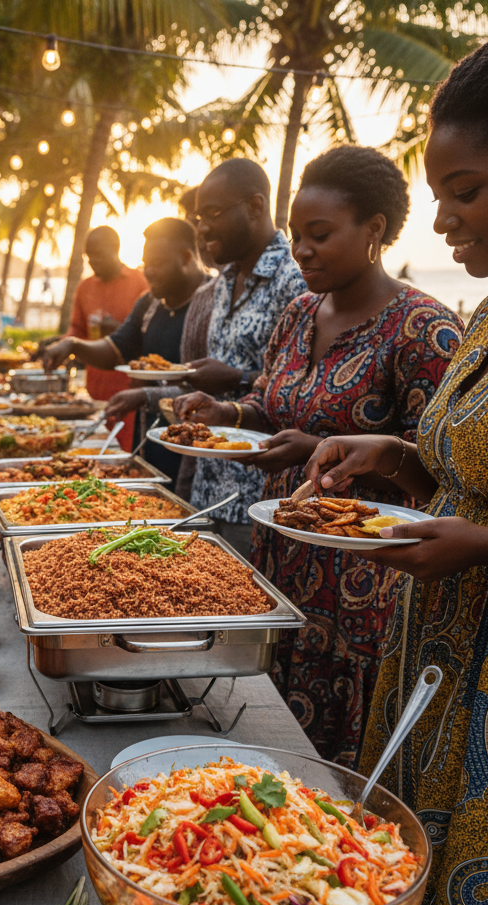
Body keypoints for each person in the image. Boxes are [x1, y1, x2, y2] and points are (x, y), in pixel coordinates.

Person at [303, 42, 488, 905]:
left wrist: (484, 543)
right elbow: (457, 473)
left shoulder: (425, 320)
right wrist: (392, 455)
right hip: (428, 648)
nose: (445, 216)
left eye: (464, 189)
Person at [175, 146, 461, 766]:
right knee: (263, 744)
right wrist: (232, 415)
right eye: (298, 235)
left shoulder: (423, 330)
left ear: (374, 231)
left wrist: (357, 455)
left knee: (336, 764)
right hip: (277, 562)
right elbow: (270, 402)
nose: (300, 250)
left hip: (366, 593)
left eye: (320, 235)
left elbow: (446, 472)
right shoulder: (298, 312)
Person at [186, 158, 307, 553]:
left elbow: (302, 385)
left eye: (213, 214)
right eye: (198, 217)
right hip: (209, 484)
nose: (202, 228)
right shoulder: (226, 278)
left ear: (255, 207)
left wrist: (235, 378)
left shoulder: (296, 277)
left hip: (260, 496)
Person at [43, 219, 213, 491]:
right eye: (146, 264)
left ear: (186, 258)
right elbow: (115, 349)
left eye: (156, 264)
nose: (149, 273)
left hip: (199, 452)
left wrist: (144, 395)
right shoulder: (150, 302)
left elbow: (210, 385)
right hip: (148, 440)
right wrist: (73, 345)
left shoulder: (214, 301)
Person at [64, 225, 149, 419]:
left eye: (99, 255)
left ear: (116, 249)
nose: (93, 261)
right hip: (94, 390)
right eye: (89, 256)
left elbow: (151, 339)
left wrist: (119, 330)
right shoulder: (85, 287)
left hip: (130, 392)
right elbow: (76, 331)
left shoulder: (140, 283)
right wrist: (61, 343)